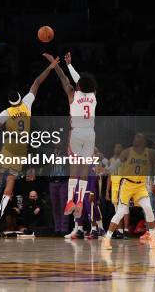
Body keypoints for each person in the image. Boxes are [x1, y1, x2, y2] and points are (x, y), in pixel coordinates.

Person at [0, 57, 59, 226]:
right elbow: (37, 82)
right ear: (20, 98)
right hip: (21, 149)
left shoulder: (5, 112)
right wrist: (50, 67)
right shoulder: (27, 104)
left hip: (9, 147)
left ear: (9, 102)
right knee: (11, 180)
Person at [44, 52, 97, 220]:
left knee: (74, 170)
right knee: (84, 171)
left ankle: (70, 201)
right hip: (90, 134)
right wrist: (70, 65)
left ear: (79, 86)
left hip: (77, 134)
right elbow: (80, 80)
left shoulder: (72, 94)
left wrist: (58, 65)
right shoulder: (94, 96)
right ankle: (80, 201)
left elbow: (64, 78)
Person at [102, 133, 155, 250]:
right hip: (127, 185)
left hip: (140, 186)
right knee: (120, 212)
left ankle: (152, 238)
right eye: (135, 137)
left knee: (148, 210)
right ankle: (107, 238)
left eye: (139, 137)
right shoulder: (127, 152)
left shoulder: (150, 153)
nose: (136, 139)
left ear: (144, 141)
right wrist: (105, 169)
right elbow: (115, 165)